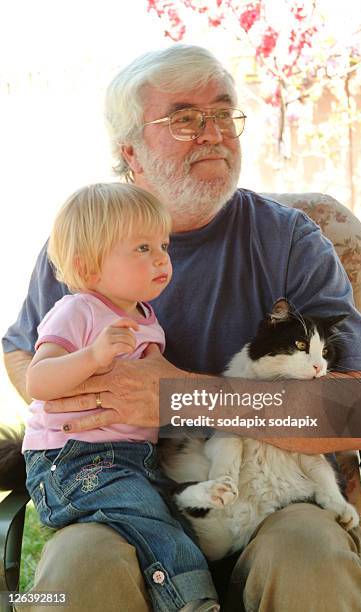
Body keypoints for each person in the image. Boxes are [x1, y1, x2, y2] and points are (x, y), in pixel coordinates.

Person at [3, 45, 361, 612]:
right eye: (185, 118)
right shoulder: (85, 243)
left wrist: (180, 395)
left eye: (224, 114)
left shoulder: (290, 242)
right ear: (129, 151)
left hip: (274, 496)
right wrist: (91, 398)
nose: (213, 132)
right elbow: (23, 355)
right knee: (77, 570)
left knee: (308, 558)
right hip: (121, 494)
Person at [22, 182, 219, 612]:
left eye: (163, 245)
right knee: (148, 518)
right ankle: (191, 599)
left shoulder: (146, 319)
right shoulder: (79, 311)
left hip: (131, 459)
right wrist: (91, 356)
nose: (162, 257)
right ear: (89, 268)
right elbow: (38, 380)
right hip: (74, 459)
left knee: (169, 515)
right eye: (142, 248)